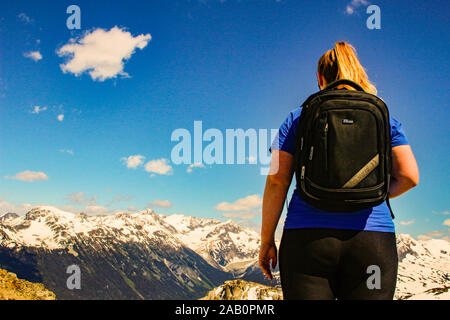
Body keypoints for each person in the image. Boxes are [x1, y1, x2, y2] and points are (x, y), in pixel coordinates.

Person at [259, 41, 419, 300]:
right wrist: (371, 194)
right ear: (358, 72)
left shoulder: (297, 117)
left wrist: (267, 241)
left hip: (307, 239)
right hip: (372, 241)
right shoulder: (384, 117)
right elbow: (410, 177)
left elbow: (277, 181)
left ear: (320, 78)